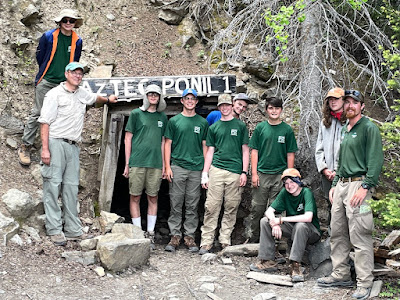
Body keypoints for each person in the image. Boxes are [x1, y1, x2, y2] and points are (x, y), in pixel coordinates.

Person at [38, 62, 117, 246]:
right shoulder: (54, 94)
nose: (78, 76)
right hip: (56, 142)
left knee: (71, 187)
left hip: (74, 146)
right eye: (74, 73)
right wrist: (45, 149)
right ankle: (55, 230)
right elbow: (44, 123)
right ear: (66, 74)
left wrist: (108, 99)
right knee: (53, 186)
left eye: (80, 73)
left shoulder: (82, 93)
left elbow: (94, 98)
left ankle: (73, 229)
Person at [317, 90, 384, 300]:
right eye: (347, 102)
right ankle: (341, 273)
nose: (350, 105)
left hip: (359, 186)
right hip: (342, 186)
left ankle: (364, 282)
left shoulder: (368, 128)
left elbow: (375, 160)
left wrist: (366, 187)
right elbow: (341, 162)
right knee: (337, 232)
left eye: (355, 102)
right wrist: (335, 184)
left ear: (362, 106)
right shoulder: (346, 129)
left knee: (360, 234)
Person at [19, 9, 84, 166]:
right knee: (38, 113)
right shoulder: (48, 37)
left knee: (59, 116)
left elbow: (75, 62)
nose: (68, 23)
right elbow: (40, 57)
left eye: (71, 21)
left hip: (63, 83)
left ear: (75, 23)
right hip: (46, 80)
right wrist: (46, 73)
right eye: (65, 20)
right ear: (60, 21)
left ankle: (49, 149)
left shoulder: (77, 41)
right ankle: (25, 146)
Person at [250, 168, 321, 283]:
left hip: (311, 231)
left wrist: (281, 220)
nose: (289, 186)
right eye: (286, 183)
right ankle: (267, 260)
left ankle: (295, 265)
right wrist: (275, 224)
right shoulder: (285, 193)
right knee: (265, 221)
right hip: (293, 228)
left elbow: (308, 217)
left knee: (301, 225)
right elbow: (269, 212)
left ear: (298, 181)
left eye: (292, 182)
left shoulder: (306, 193)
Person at [199, 94, 249, 254]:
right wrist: (205, 173)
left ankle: (225, 240)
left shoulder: (240, 126)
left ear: (232, 105)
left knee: (231, 206)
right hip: (217, 170)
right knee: (212, 206)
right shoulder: (213, 128)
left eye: (228, 105)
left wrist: (244, 172)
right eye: (222, 105)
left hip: (235, 171)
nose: (225, 108)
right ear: (219, 107)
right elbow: (210, 151)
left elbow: (245, 150)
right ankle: (206, 241)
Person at [122, 84, 168, 249]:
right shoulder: (136, 114)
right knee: (135, 196)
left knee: (153, 197)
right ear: (146, 96)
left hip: (155, 164)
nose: (153, 96)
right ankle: (137, 233)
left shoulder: (162, 117)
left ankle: (150, 232)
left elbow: (163, 142)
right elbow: (128, 138)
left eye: (156, 94)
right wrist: (127, 163)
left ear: (159, 97)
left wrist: (164, 165)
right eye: (150, 94)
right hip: (137, 162)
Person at [247, 97, 298, 243]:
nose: (274, 111)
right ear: (266, 110)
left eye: (276, 108)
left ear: (281, 110)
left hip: (280, 175)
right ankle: (254, 237)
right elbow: (254, 151)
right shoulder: (261, 128)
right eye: (271, 108)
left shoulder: (287, 130)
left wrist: (289, 176)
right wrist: (254, 174)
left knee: (277, 208)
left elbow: (290, 153)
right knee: (257, 208)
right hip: (262, 174)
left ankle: (275, 239)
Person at [164, 88, 208, 253]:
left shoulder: (202, 123)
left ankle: (189, 237)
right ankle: (175, 236)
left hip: (196, 169)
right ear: (182, 101)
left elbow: (205, 146)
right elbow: (167, 143)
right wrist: (167, 166)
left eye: (193, 98)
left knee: (192, 204)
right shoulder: (174, 121)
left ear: (196, 102)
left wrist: (205, 170)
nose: (190, 101)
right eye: (187, 98)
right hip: (178, 166)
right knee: (175, 203)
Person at [315, 88, 345, 227]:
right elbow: (319, 148)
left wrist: (338, 170)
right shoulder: (325, 122)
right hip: (327, 173)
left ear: (343, 101)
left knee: (344, 205)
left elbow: (347, 150)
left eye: (336, 99)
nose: (333, 102)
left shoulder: (349, 121)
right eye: (330, 99)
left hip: (344, 173)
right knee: (330, 203)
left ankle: (345, 236)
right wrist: (324, 168)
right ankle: (332, 234)